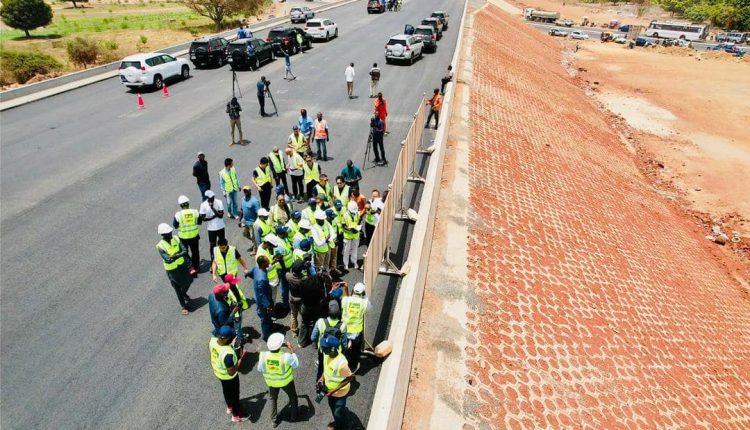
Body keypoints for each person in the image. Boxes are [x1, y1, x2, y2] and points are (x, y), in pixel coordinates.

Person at [257, 333, 299, 427]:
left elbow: (259, 369)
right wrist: (291, 349)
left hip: (271, 382)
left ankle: (274, 421)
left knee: (273, 398)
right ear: (280, 346)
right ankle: (294, 416)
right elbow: (296, 364)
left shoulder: (263, 355)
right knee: (293, 397)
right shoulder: (286, 356)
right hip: (286, 382)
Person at [210, 325, 250, 422]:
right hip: (229, 378)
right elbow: (232, 372)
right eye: (233, 336)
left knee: (226, 391)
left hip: (219, 373)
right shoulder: (228, 354)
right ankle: (236, 415)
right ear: (228, 339)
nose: (234, 337)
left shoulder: (212, 341)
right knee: (235, 396)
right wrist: (241, 358)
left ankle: (229, 407)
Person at [156, 223, 193, 315]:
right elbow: (168, 260)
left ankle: (183, 293)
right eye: (168, 233)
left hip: (182, 265)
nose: (170, 234)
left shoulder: (176, 238)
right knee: (177, 288)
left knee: (189, 280)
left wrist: (175, 256)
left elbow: (185, 251)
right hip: (172, 270)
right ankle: (184, 306)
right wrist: (179, 254)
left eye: (170, 232)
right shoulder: (160, 246)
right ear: (163, 234)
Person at [319, 335, 353, 430]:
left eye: (324, 347)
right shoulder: (326, 355)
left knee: (338, 412)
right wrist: (322, 378)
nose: (322, 348)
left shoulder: (341, 364)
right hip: (330, 391)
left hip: (340, 393)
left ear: (332, 349)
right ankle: (338, 423)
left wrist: (334, 390)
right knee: (334, 409)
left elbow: (350, 378)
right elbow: (326, 369)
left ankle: (345, 426)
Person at [312, 301, 349, 380]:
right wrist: (345, 349)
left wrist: (317, 343)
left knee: (321, 368)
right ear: (339, 313)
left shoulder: (320, 322)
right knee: (334, 367)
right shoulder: (343, 325)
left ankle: (319, 384)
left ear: (328, 312)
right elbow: (344, 342)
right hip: (336, 351)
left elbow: (313, 337)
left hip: (323, 349)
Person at [342, 283, 370, 372]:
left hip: (345, 330)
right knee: (355, 350)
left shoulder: (345, 300)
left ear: (353, 290)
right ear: (363, 292)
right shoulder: (364, 302)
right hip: (356, 332)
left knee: (344, 349)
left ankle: (343, 365)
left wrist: (346, 289)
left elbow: (347, 300)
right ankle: (353, 367)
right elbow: (368, 308)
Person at [246, 256, 274, 341]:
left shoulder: (256, 268)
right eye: (267, 262)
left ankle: (271, 326)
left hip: (263, 298)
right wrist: (268, 306)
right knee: (264, 319)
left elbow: (249, 273)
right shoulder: (262, 279)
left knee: (268, 316)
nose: (269, 263)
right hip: (263, 303)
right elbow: (262, 295)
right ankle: (267, 336)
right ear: (262, 264)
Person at [173, 195, 201, 276]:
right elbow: (199, 222)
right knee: (195, 252)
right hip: (194, 236)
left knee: (185, 253)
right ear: (188, 203)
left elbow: (175, 225)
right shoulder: (195, 212)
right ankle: (196, 267)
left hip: (183, 237)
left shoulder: (178, 215)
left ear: (180, 205)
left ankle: (190, 267)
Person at [200, 190, 226, 261]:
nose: (213, 198)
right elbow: (203, 218)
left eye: (213, 197)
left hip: (220, 227)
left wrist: (212, 208)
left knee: (222, 244)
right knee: (212, 245)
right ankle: (213, 260)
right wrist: (214, 216)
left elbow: (221, 216)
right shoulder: (203, 205)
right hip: (211, 229)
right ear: (207, 197)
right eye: (211, 197)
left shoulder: (219, 202)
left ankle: (223, 258)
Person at [239, 186, 261, 254]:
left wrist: (257, 223)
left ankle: (255, 249)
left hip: (252, 222)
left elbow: (258, 213)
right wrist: (240, 220)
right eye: (244, 191)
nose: (245, 192)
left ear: (250, 191)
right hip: (245, 221)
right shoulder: (242, 199)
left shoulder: (254, 201)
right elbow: (241, 210)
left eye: (247, 191)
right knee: (245, 234)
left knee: (253, 236)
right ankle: (256, 243)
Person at [342, 201, 361, 270]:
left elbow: (359, 222)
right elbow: (343, 226)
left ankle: (354, 262)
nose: (353, 212)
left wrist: (357, 228)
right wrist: (350, 230)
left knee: (355, 249)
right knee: (346, 251)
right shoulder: (345, 215)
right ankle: (345, 264)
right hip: (348, 236)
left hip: (356, 235)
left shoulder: (357, 213)